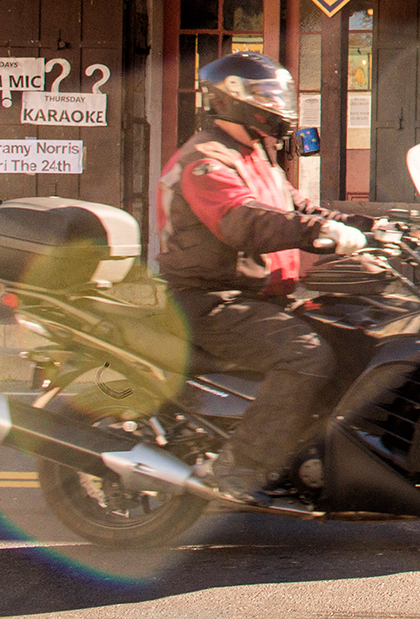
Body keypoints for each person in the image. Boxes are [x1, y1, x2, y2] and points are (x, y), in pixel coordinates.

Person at [156, 52, 370, 503]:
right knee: (304, 356)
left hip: (259, 298)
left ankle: (312, 458)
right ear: (232, 98)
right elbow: (242, 220)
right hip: (209, 300)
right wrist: (321, 233)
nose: (279, 104)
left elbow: (297, 208)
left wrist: (371, 227)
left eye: (279, 94)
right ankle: (236, 471)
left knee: (350, 335)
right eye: (267, 95)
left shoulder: (255, 157)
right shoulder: (207, 159)